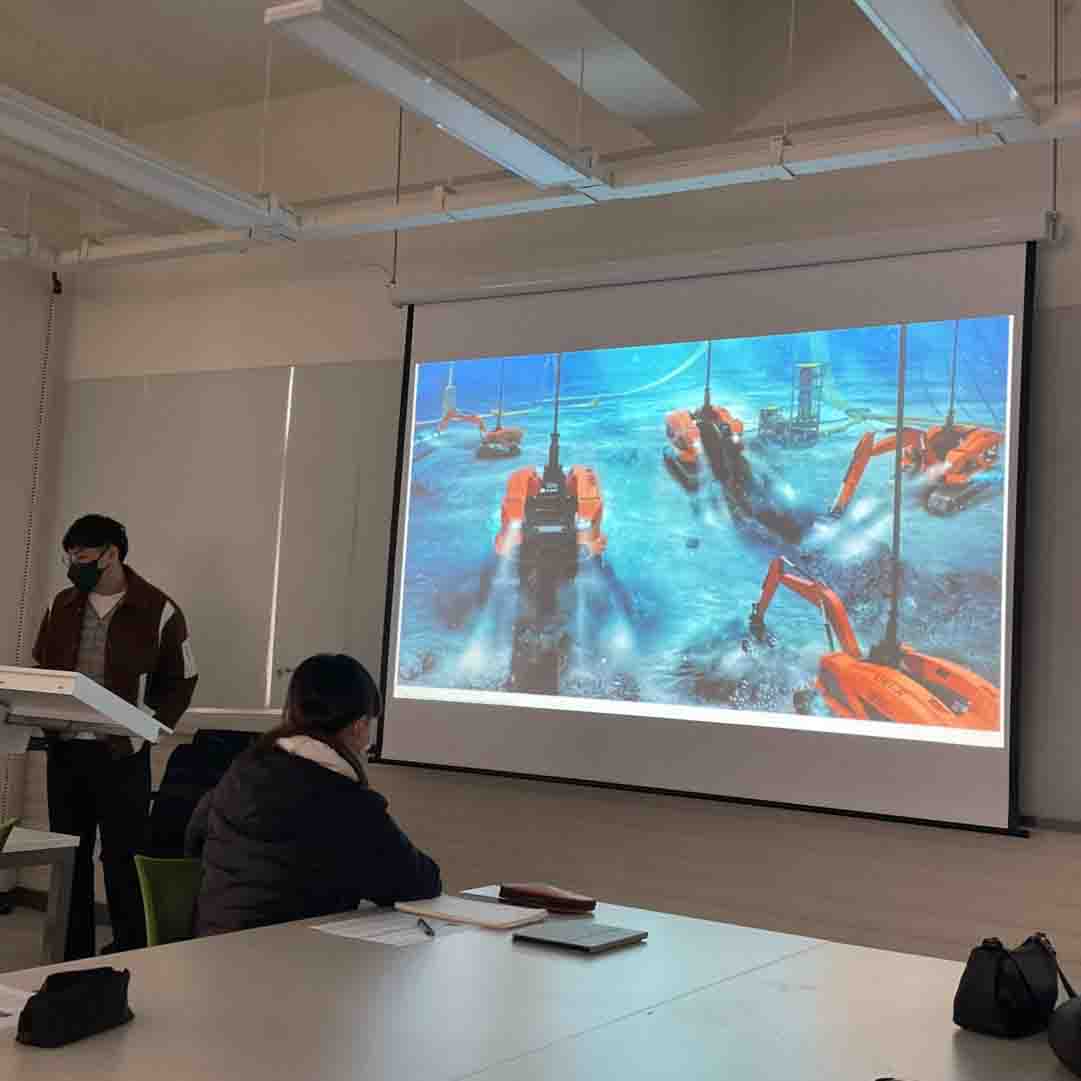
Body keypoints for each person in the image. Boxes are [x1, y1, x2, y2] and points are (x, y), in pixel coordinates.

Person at [33, 514, 198, 959]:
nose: (74, 564)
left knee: (123, 857)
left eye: (82, 556)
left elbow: (182, 679)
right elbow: (43, 667)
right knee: (70, 855)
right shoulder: (61, 605)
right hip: (66, 750)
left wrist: (148, 730)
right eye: (69, 556)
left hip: (123, 753)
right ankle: (71, 957)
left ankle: (130, 951)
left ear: (111, 554)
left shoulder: (158, 609)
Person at [185, 654, 440, 936]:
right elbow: (418, 882)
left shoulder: (242, 770)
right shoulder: (345, 802)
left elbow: (194, 839)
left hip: (211, 944)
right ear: (358, 726)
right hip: (290, 953)